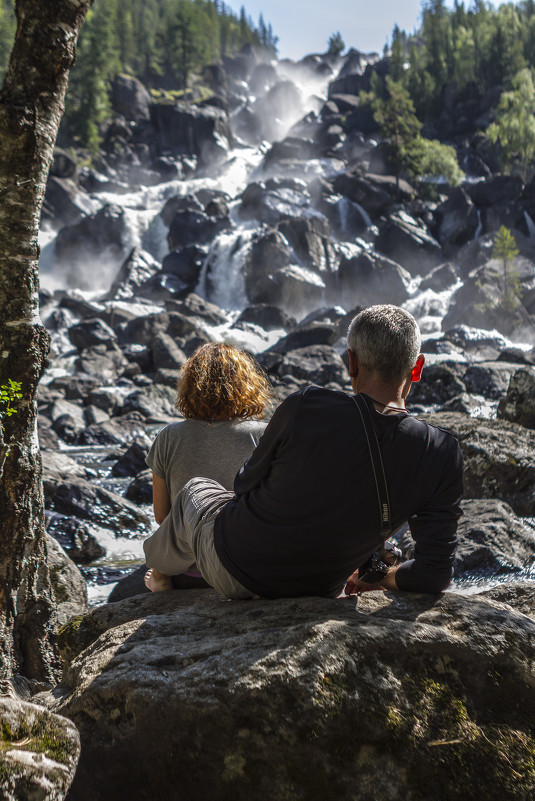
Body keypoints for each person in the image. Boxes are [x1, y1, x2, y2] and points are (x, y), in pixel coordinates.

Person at [144, 305, 463, 599]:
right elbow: (434, 574)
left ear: (351, 361)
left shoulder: (307, 406)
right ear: (418, 368)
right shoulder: (441, 451)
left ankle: (158, 569)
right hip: (320, 587)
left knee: (197, 490)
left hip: (233, 570)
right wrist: (381, 576)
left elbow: (243, 485)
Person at [144, 342, 272, 591]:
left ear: (190, 388)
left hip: (189, 575)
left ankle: (162, 578)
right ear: (247, 384)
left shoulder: (168, 437)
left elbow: (162, 516)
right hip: (247, 568)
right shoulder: (265, 434)